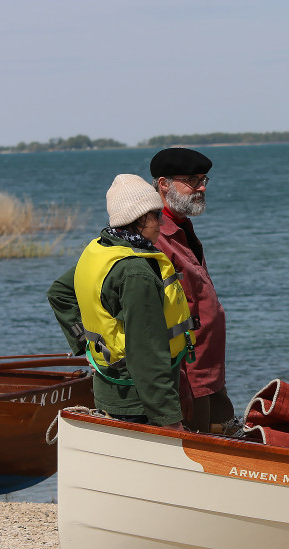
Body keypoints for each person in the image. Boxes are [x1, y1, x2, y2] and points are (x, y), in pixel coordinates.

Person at [47, 174, 194, 429]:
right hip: (139, 404)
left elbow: (59, 292)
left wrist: (89, 343)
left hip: (109, 390)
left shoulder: (103, 249)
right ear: (138, 219)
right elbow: (146, 353)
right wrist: (169, 421)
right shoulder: (136, 273)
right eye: (157, 215)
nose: (161, 221)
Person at [149, 148, 236, 434]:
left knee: (227, 439)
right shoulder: (154, 237)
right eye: (191, 180)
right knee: (198, 452)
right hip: (186, 374)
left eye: (203, 179)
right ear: (164, 184)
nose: (201, 187)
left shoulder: (182, 226)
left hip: (208, 369)